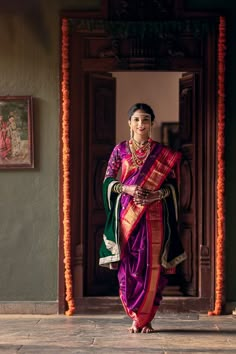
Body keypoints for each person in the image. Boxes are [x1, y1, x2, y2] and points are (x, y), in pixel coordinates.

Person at [99, 103, 187, 333]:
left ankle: (145, 319)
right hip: (127, 215)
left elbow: (173, 187)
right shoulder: (120, 150)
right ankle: (134, 315)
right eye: (136, 119)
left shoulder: (162, 153)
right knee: (128, 265)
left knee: (152, 265)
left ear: (151, 123)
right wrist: (127, 190)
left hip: (154, 216)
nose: (141, 124)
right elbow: (108, 181)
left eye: (145, 119)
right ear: (129, 123)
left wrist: (158, 193)